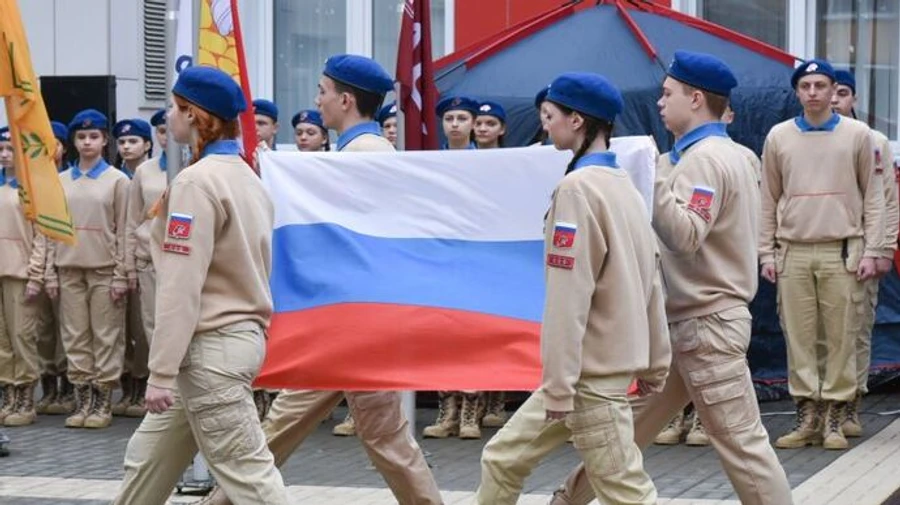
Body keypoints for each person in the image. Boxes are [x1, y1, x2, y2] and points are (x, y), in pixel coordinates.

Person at [549, 51, 794, 505]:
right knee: (625, 435)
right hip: (689, 324)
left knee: (743, 445)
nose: (660, 104)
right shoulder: (730, 153)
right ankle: (567, 499)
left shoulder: (703, 160)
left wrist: (652, 177)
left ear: (696, 99)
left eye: (668, 94)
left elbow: (685, 235)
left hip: (706, 322)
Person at [197, 54, 443, 505]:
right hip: (345, 320)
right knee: (292, 425)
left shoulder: (365, 156)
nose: (318, 100)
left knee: (380, 437)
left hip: (358, 321)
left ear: (346, 100)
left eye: (323, 91)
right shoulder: (355, 153)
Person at [475, 72, 668, 505]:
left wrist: (559, 384)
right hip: (594, 372)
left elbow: (569, 296)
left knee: (625, 492)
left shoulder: (577, 189)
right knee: (502, 459)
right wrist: (658, 358)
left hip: (588, 377)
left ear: (576, 120)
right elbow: (651, 280)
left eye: (550, 116)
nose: (546, 126)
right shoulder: (625, 188)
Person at [113, 65, 289, 505]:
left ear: (194, 115)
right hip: (229, 343)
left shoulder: (196, 182)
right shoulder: (247, 176)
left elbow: (180, 283)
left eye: (174, 107)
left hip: (207, 348)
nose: (168, 115)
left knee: (248, 476)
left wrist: (160, 373)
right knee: (146, 460)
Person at [760, 59, 883, 451]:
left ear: (835, 91)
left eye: (820, 85)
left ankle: (835, 415)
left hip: (842, 249)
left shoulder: (857, 135)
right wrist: (766, 251)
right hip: (793, 249)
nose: (813, 92)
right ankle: (806, 413)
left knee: (842, 336)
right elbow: (768, 198)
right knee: (798, 337)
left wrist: (875, 248)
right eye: (805, 85)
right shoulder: (778, 137)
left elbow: (875, 198)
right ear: (796, 92)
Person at [50, 109, 129, 430]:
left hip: (105, 269)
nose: (87, 142)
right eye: (81, 137)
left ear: (104, 140)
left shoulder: (118, 181)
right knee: (74, 336)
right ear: (73, 142)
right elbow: (50, 228)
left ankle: (102, 400)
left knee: (106, 335)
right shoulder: (60, 181)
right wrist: (48, 272)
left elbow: (124, 229)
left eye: (94, 136)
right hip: (68, 268)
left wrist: (124, 274)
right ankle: (82, 397)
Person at [829, 69, 897, 437]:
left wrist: (883, 247)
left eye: (843, 92)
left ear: (853, 99)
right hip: (819, 248)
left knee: (856, 330)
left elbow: (887, 199)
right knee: (820, 334)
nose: (835, 99)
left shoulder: (873, 141)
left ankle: (851, 402)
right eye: (831, 92)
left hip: (860, 251)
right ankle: (821, 407)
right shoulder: (806, 138)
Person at [426, 95, 486, 440]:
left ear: (473, 124)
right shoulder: (433, 162)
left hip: (474, 258)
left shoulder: (487, 165)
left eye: (462, 117)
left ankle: (470, 412)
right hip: (441, 257)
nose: (455, 124)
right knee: (444, 338)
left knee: (473, 337)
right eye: (449, 118)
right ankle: (446, 410)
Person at [119, 111, 170, 419]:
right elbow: (132, 220)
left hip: (186, 261)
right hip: (149, 260)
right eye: (161, 131)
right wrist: (129, 266)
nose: (167, 136)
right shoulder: (146, 172)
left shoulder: (199, 166)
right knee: (152, 327)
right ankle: (159, 392)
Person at [0, 126, 46, 427]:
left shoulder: (32, 188)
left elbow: (42, 235)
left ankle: (26, 395)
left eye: (10, 149)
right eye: (1, 149)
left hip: (20, 272)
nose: (5, 155)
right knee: (2, 340)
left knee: (22, 337)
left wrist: (36, 274)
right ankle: (8, 393)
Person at [111, 119, 153, 418]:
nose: (126, 147)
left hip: (150, 259)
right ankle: (127, 387)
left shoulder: (150, 175)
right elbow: (126, 226)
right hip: (121, 260)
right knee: (121, 330)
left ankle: (143, 386)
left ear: (147, 144)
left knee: (143, 328)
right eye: (122, 142)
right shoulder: (121, 175)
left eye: (133, 141)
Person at [35, 121, 73, 416]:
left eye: (55, 143)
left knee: (68, 331)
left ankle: (68, 387)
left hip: (67, 263)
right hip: (39, 266)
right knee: (43, 330)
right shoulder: (32, 180)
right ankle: (48, 386)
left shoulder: (69, 180)